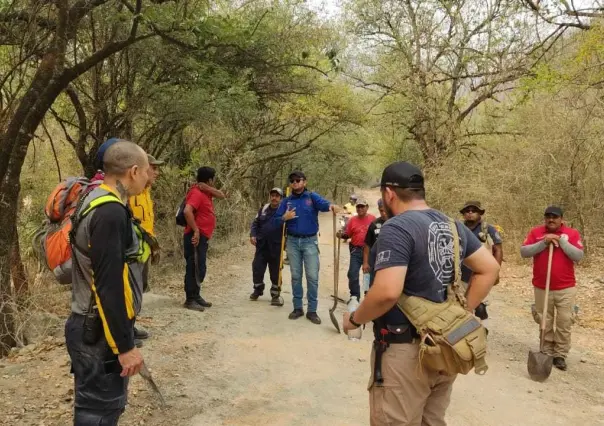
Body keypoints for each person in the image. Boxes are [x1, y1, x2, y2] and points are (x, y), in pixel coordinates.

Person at [342, 161, 499, 426]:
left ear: (389, 193)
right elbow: (489, 269)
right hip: (444, 348)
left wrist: (355, 319)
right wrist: (462, 314)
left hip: (405, 353)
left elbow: (387, 292)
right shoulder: (453, 225)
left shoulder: (396, 227)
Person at [66, 141, 149, 425]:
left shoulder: (93, 197)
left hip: (89, 324)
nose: (149, 178)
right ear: (134, 171)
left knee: (96, 406)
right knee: (99, 412)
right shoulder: (110, 213)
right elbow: (108, 284)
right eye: (147, 171)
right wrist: (125, 347)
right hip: (97, 331)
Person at [520, 206, 583, 371]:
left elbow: (578, 256)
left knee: (564, 321)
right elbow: (524, 252)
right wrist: (544, 242)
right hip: (541, 287)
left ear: (561, 219)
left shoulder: (572, 234)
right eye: (548, 217)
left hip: (566, 287)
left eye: (555, 217)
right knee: (544, 320)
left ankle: (560, 354)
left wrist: (562, 242)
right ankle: (546, 350)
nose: (551, 220)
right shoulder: (536, 233)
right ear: (544, 218)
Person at [273, 170, 340, 324]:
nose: (295, 182)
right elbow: (276, 220)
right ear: (290, 184)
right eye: (292, 180)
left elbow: (324, 205)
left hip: (310, 241)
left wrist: (332, 206)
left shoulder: (311, 197)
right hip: (292, 242)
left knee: (312, 276)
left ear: (305, 182)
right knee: (296, 276)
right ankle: (298, 308)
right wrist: (285, 217)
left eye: (298, 180)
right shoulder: (286, 201)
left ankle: (312, 310)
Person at [127, 154, 163, 342]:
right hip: (132, 252)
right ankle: (124, 333)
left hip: (144, 251)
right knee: (129, 291)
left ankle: (130, 326)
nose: (156, 172)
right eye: (153, 168)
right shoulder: (130, 193)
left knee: (138, 290)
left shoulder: (146, 192)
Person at [182, 166, 226, 311]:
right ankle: (190, 299)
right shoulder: (196, 193)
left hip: (203, 237)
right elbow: (187, 211)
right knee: (193, 267)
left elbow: (222, 195)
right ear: (210, 180)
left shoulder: (206, 192)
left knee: (200, 267)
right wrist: (195, 230)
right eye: (213, 180)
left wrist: (207, 187)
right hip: (195, 237)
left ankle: (196, 295)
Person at [460, 200, 503, 330]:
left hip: (481, 274)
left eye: (474, 211)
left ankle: (478, 333)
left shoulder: (488, 229)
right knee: (461, 306)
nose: (470, 213)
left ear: (480, 213)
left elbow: (498, 250)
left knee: (478, 307)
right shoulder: (459, 228)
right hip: (460, 275)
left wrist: (496, 271)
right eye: (467, 211)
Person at [249, 187, 285, 306]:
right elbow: (255, 223)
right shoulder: (263, 209)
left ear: (280, 198)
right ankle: (258, 289)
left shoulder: (284, 210)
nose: (274, 198)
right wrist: (253, 235)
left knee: (275, 272)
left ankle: (275, 295)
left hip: (276, 246)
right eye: (272, 195)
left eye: (277, 196)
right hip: (261, 245)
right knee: (257, 268)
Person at [337, 198, 375, 302]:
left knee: (367, 275)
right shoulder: (352, 220)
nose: (360, 208)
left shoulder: (373, 219)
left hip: (370, 252)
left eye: (362, 206)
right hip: (356, 250)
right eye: (358, 206)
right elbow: (347, 234)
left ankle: (367, 297)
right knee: (352, 274)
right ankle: (354, 296)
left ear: (367, 207)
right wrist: (341, 235)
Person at [362, 199, 388, 295]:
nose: (384, 213)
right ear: (378, 209)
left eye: (386, 210)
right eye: (381, 210)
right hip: (373, 261)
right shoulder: (374, 224)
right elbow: (367, 245)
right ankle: (366, 300)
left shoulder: (396, 223)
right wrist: (365, 262)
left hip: (387, 262)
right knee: (368, 283)